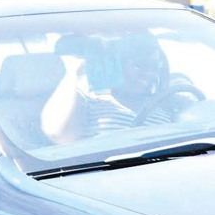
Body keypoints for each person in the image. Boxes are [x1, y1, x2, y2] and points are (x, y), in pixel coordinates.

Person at [41, 34, 174, 144]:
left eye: (155, 66)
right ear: (117, 64)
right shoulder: (89, 101)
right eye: (142, 65)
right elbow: (58, 133)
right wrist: (73, 72)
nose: (150, 73)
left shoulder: (163, 106)